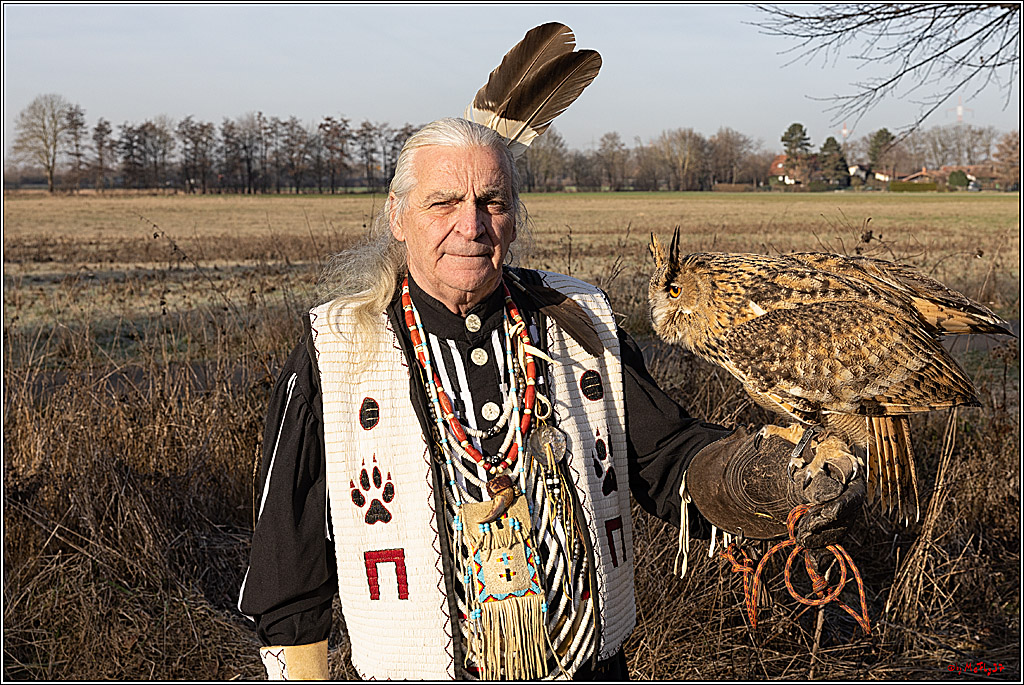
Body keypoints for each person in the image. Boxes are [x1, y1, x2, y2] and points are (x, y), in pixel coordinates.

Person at [238, 117, 861, 680]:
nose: (472, 225)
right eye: (443, 202)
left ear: (515, 215)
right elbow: (288, 557)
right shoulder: (338, 348)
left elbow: (665, 456)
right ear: (398, 218)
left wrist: (774, 477)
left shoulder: (574, 318)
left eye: (492, 202)